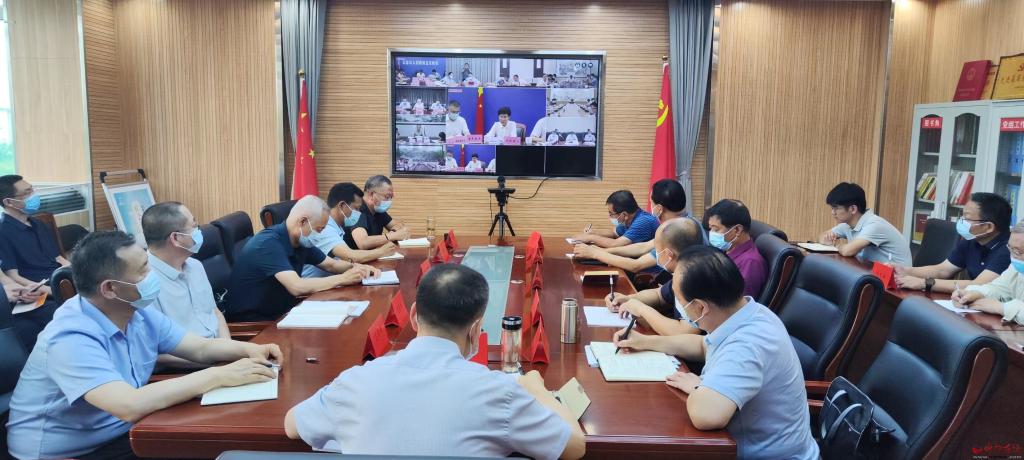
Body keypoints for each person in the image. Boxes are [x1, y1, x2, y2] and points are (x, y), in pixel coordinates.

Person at [6, 231, 284, 460]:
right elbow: (128, 404)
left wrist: (248, 350)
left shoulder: (136, 312)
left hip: (123, 431)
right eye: (143, 270)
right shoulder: (69, 336)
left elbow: (199, 348)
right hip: (69, 451)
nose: (153, 275)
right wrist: (218, 375)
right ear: (110, 288)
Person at [284, 264, 586, 459]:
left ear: (414, 316)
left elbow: (292, 425)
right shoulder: (498, 393)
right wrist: (536, 389)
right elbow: (573, 446)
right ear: (476, 330)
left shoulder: (355, 381)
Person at [614, 246, 818, 459]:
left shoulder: (746, 345)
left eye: (680, 302)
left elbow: (705, 415)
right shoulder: (752, 312)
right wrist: (647, 342)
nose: (679, 307)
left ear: (701, 308)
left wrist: (698, 387)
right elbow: (703, 346)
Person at [224, 196, 377, 322]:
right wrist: (343, 279)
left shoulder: (300, 240)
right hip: (255, 322)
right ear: (303, 222)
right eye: (319, 229)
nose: (320, 234)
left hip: (282, 312)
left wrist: (358, 268)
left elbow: (331, 265)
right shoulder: (267, 244)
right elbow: (296, 286)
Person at [141, 202, 231, 369]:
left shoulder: (196, 266)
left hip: (220, 360)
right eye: (194, 227)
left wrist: (229, 351)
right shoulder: (144, 284)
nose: (199, 231)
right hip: (186, 371)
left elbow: (214, 313)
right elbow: (153, 354)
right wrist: (215, 361)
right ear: (175, 238)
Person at [574, 179, 702, 274]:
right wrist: (598, 251)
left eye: (651, 202)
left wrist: (596, 253)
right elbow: (642, 247)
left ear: (659, 208)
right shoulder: (686, 223)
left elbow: (636, 265)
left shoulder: (678, 230)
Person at [606, 218, 705, 336]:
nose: (655, 254)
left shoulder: (697, 277)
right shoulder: (683, 270)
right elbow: (659, 295)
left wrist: (641, 309)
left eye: (657, 250)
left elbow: (684, 333)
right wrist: (628, 299)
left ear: (668, 254)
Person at [895, 192, 1011, 293]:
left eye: (967, 218)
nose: (961, 221)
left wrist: (924, 283)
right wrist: (905, 270)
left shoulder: (1009, 250)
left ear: (988, 227)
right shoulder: (972, 240)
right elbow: (943, 270)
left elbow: (979, 285)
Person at [300, 183, 397, 278]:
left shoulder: (337, 226)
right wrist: (381, 252)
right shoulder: (325, 227)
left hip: (330, 280)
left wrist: (359, 267)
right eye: (356, 208)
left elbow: (340, 261)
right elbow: (350, 256)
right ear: (342, 205)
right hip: (314, 285)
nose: (359, 213)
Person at [0, 175, 68, 295]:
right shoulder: (3, 232)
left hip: (60, 280)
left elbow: (58, 258)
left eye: (32, 190)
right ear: (9, 202)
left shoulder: (38, 223)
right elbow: (13, 277)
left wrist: (77, 275)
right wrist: (54, 292)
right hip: (37, 291)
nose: (34, 195)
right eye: (27, 192)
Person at [818, 182, 911, 266]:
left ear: (853, 209)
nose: (832, 213)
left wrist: (835, 246)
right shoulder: (847, 224)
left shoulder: (874, 225)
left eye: (836, 208)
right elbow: (822, 236)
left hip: (898, 277)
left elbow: (848, 251)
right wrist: (826, 239)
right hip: (871, 272)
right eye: (832, 208)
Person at [954, 222, 1024, 325]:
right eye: (1010, 248)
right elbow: (998, 288)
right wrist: (973, 293)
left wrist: (1001, 308)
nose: (1013, 256)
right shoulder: (1016, 267)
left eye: (1018, 252)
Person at [705, 199, 767, 298]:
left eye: (716, 229)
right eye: (710, 228)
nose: (711, 233)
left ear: (737, 230)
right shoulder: (727, 250)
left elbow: (738, 302)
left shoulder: (750, 263)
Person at [572, 190, 659, 249]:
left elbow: (615, 244)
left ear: (624, 214)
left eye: (611, 214)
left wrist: (591, 238)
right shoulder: (629, 218)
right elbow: (614, 233)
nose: (610, 216)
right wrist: (593, 233)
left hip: (647, 269)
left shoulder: (643, 221)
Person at [349, 175, 411, 250]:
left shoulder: (378, 210)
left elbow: (398, 225)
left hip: (374, 254)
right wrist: (393, 236)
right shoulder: (357, 209)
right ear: (371, 194)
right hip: (355, 256)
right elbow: (363, 243)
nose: (389, 201)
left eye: (391, 197)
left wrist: (394, 232)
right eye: (387, 197)